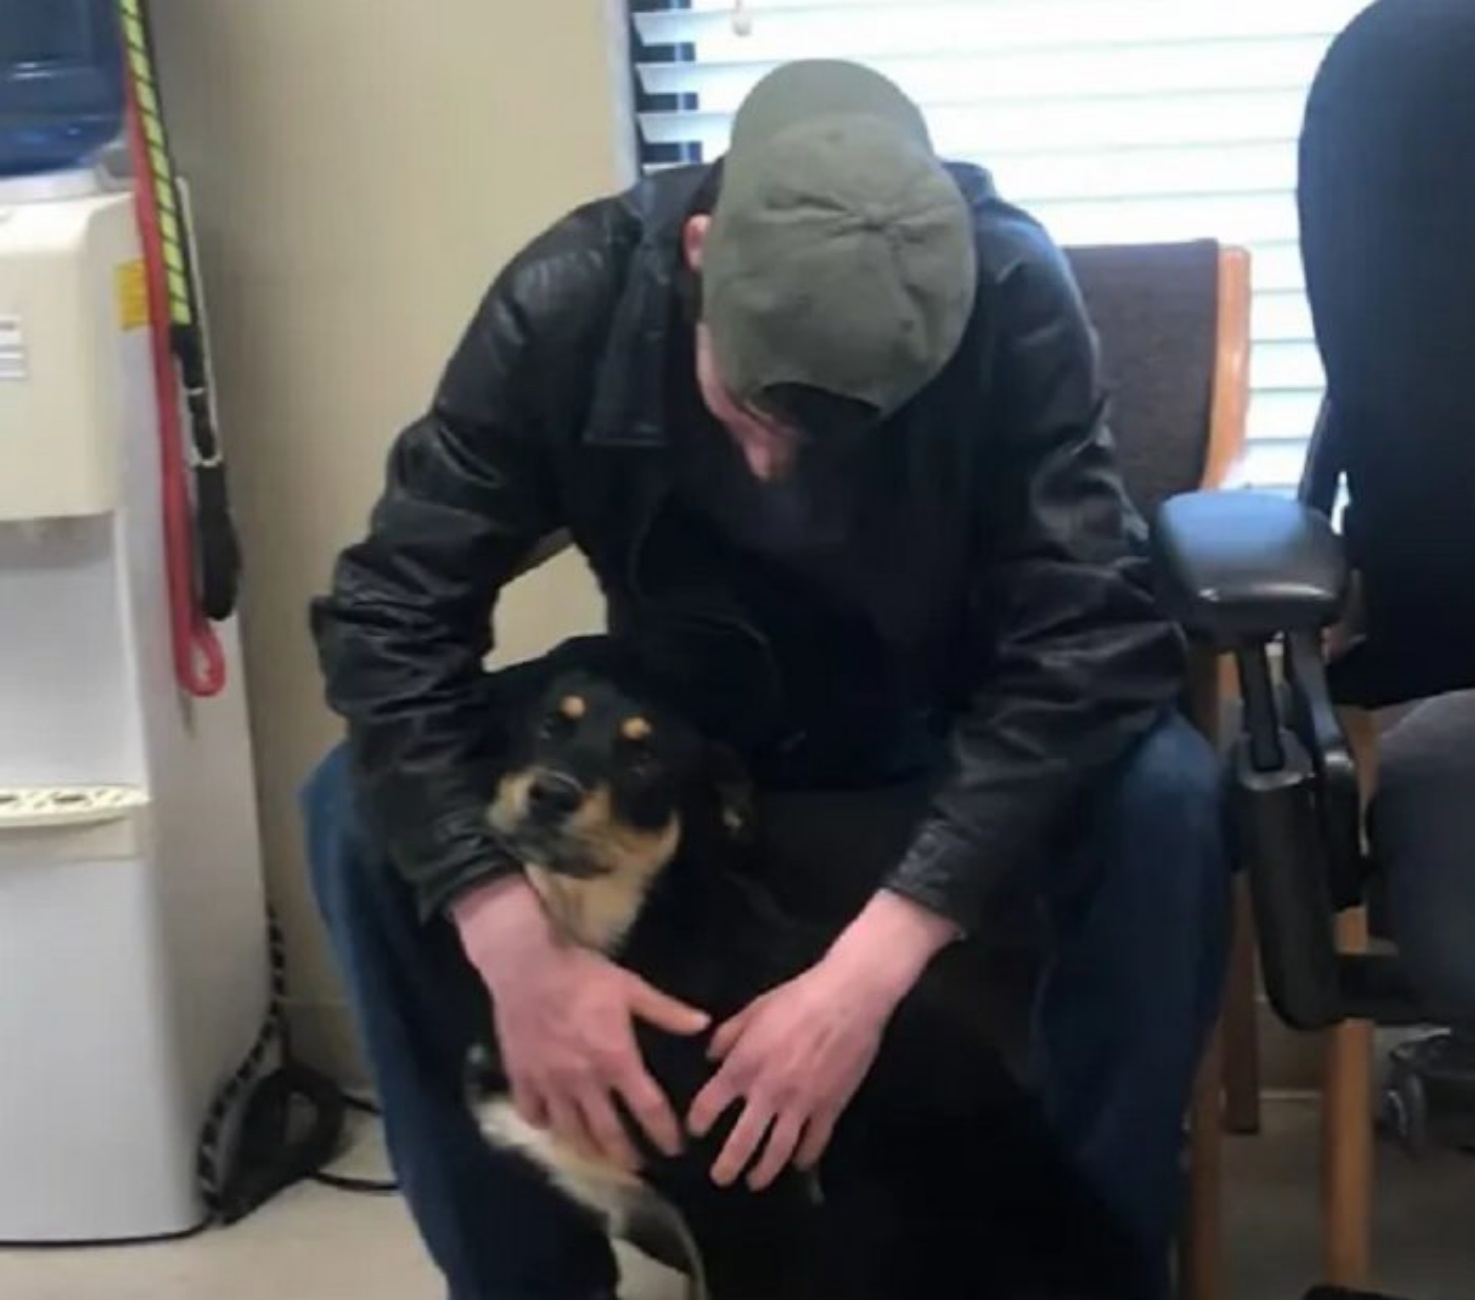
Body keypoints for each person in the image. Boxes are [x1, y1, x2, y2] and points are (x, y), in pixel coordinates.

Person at [304, 59, 1230, 1300]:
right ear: (697, 249)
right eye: (747, 404)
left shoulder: (1010, 292)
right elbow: (389, 617)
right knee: (356, 813)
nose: (775, 458)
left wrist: (866, 974)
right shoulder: (566, 299)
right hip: (681, 741)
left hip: (933, 736)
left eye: (832, 429)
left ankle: (1085, 1272)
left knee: (1163, 800)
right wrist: (511, 945)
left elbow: (1086, 634)